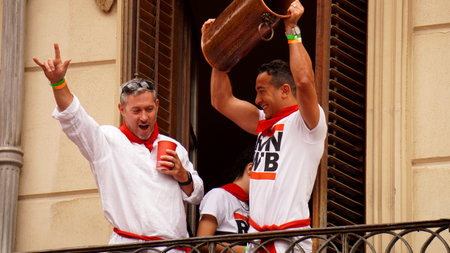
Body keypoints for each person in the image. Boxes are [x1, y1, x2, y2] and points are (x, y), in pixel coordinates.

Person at [33, 43, 204, 248]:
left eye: (149, 109)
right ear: (122, 109)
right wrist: (58, 83)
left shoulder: (174, 146)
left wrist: (182, 175)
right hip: (129, 247)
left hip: (173, 249)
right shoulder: (107, 140)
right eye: (136, 110)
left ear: (157, 106)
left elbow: (197, 195)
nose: (144, 117)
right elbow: (75, 119)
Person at [201, 0, 327, 252]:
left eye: (261, 91)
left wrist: (292, 30)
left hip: (289, 241)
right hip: (256, 241)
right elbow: (221, 101)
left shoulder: (307, 123)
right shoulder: (262, 122)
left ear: (284, 90)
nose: (257, 100)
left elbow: (303, 81)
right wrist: (217, 51)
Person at [197, 147, 253, 253]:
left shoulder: (251, 205)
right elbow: (202, 243)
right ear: (250, 168)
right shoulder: (218, 195)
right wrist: (248, 250)